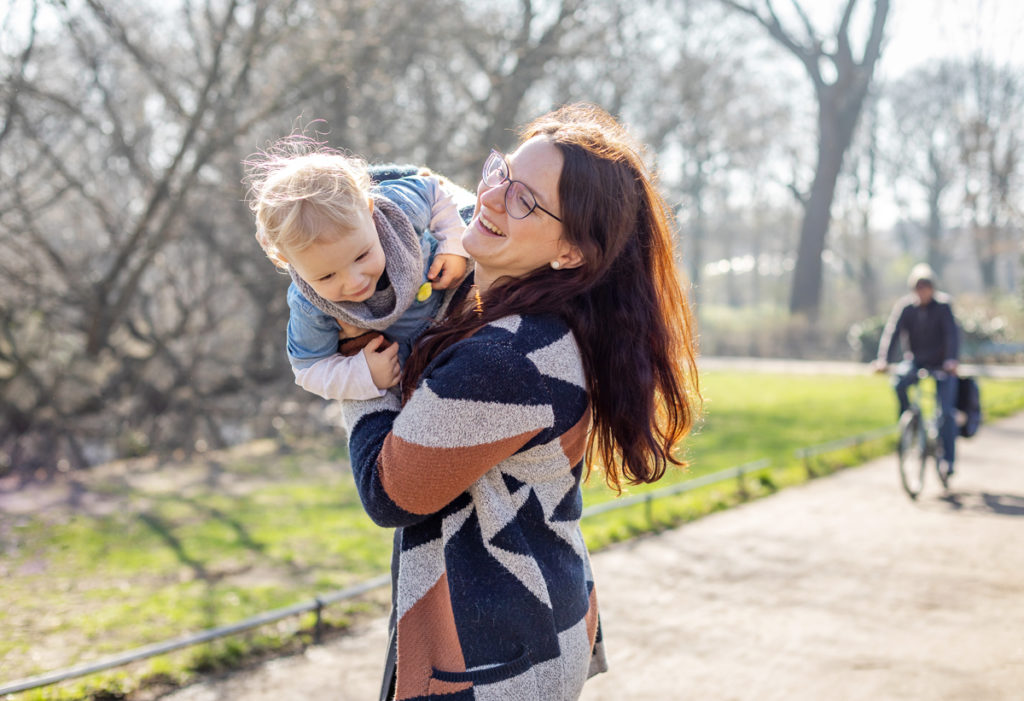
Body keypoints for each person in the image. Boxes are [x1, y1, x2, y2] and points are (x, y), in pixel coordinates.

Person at [340, 103, 701, 701]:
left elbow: (391, 491)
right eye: (501, 173)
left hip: (495, 662)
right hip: (532, 629)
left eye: (525, 200)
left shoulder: (505, 360)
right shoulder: (533, 323)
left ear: (571, 252)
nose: (490, 197)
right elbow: (421, 189)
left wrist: (354, 358)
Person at [245, 137, 470, 401]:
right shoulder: (309, 304)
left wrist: (453, 244)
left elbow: (434, 190)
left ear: (370, 210)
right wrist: (362, 374)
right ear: (285, 261)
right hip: (414, 364)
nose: (354, 282)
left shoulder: (399, 210)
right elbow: (308, 368)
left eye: (362, 255)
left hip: (457, 310)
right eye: (327, 276)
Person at [874, 263, 960, 476]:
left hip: (942, 364)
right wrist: (883, 360)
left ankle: (947, 461)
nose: (922, 292)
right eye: (918, 288)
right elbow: (892, 333)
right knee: (898, 382)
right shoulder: (906, 308)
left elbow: (952, 335)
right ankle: (910, 422)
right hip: (916, 360)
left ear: (932, 288)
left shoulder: (943, 306)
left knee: (946, 412)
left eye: (926, 287)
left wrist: (951, 360)